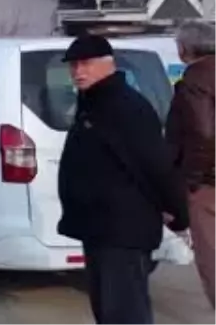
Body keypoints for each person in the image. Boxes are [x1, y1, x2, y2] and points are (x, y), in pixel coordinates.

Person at [56, 34, 190, 325]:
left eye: (86, 64)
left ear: (108, 64)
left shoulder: (126, 107)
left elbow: (156, 165)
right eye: (74, 66)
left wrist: (178, 213)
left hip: (123, 229)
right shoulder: (92, 102)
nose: (78, 71)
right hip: (97, 226)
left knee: (125, 313)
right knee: (107, 310)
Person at [165, 20, 216, 309]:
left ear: (185, 48)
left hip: (209, 184)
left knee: (212, 262)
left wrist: (193, 179)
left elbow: (202, 132)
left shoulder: (197, 78)